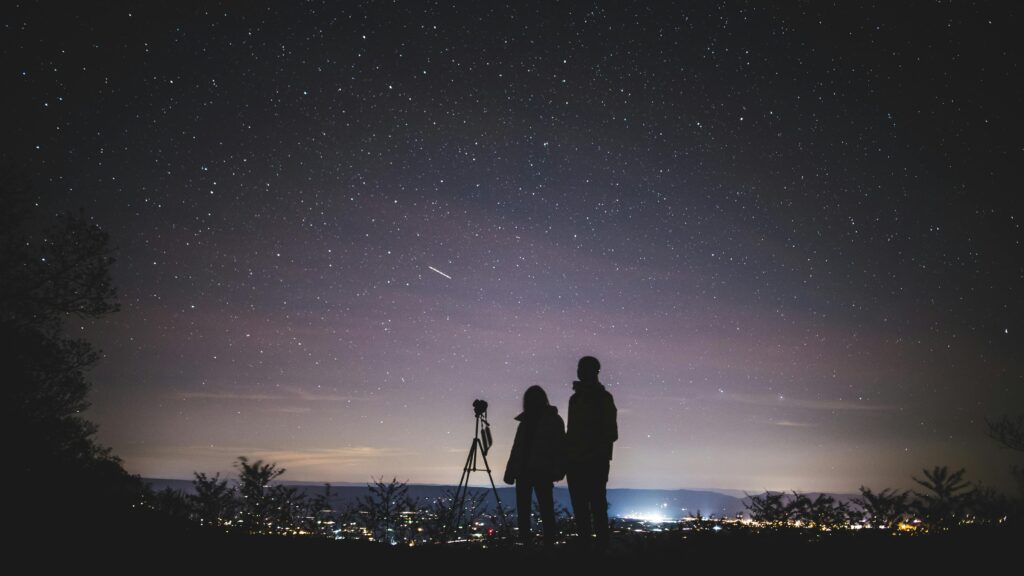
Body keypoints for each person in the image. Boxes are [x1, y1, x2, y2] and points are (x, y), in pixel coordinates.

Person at [503, 385, 566, 546]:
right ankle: (532, 543)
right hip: (529, 471)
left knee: (542, 509)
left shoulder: (549, 420)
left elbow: (559, 447)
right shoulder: (530, 422)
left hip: (540, 471)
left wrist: (558, 469)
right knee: (534, 510)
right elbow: (517, 448)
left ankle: (545, 544)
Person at [566, 355, 617, 550]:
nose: (579, 371)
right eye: (579, 367)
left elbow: (611, 432)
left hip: (593, 460)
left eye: (583, 368)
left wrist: (586, 447)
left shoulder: (602, 398)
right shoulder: (576, 399)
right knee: (583, 507)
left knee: (595, 505)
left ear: (594, 372)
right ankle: (587, 548)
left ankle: (598, 549)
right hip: (580, 461)